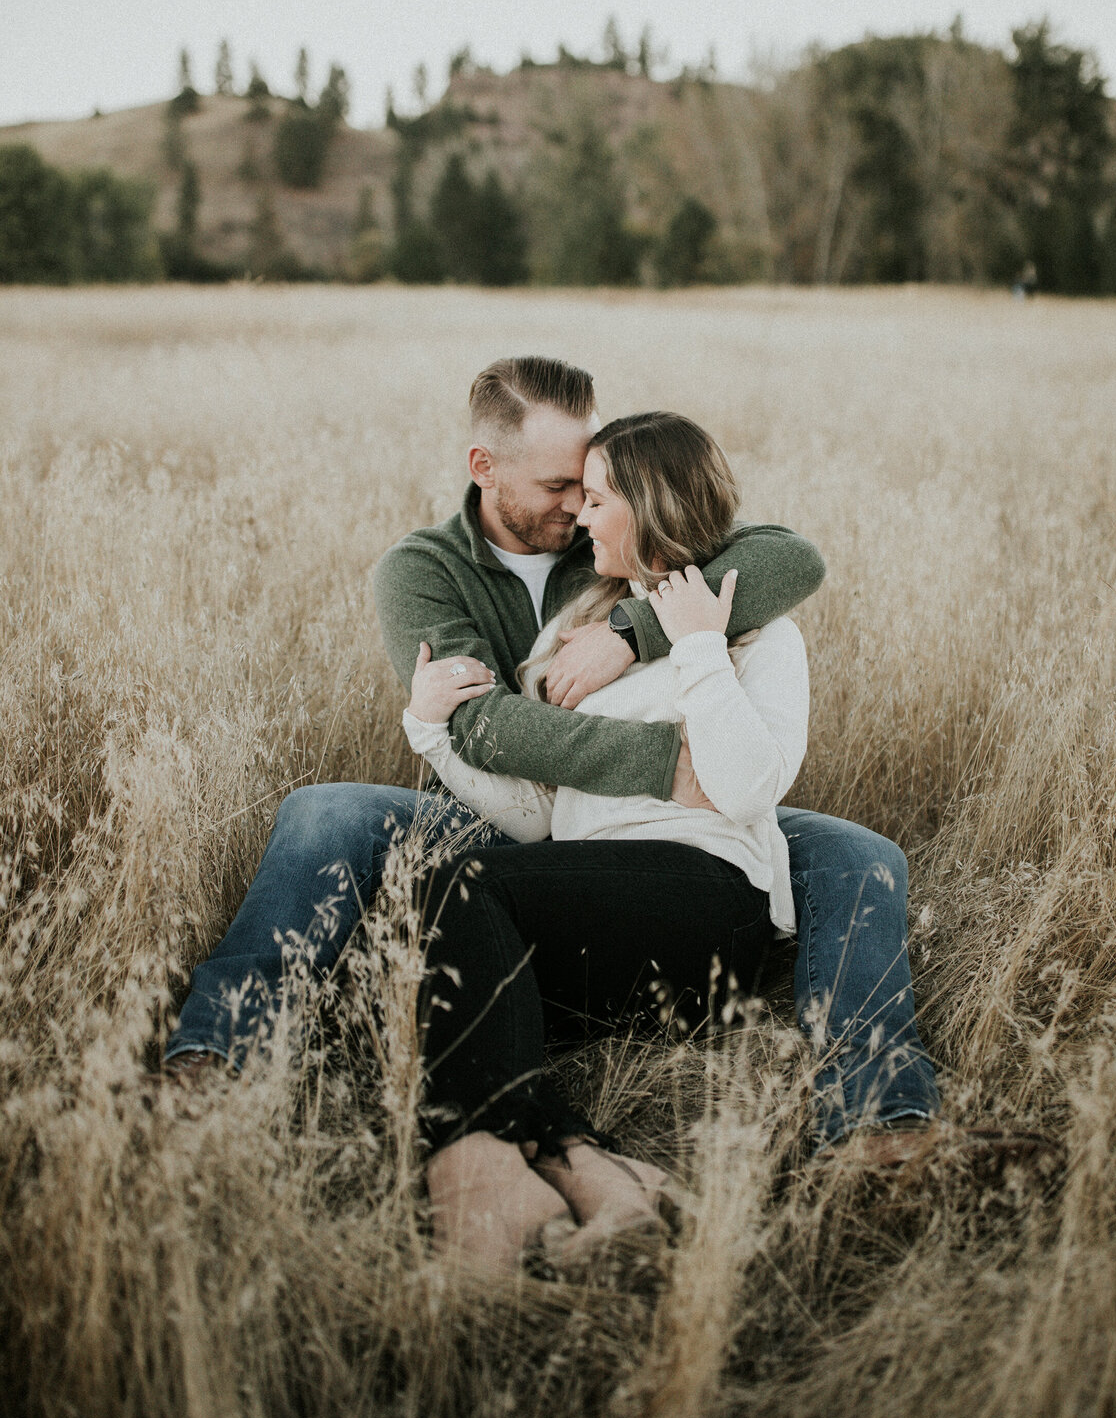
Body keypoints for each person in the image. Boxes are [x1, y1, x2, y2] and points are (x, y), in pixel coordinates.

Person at [165, 358, 938, 1178]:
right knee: (324, 812)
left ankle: (879, 1118)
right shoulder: (424, 570)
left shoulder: (601, 553)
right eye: (559, 485)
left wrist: (632, 633)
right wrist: (661, 761)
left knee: (857, 854)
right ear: (484, 469)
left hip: (677, 817)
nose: (576, 507)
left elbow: (790, 561)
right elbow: (487, 725)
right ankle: (221, 1053)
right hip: (523, 808)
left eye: (590, 486)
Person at [402, 410, 809, 1267]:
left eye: (595, 499)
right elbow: (542, 819)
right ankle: (590, 1171)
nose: (579, 519)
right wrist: (432, 732)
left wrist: (696, 646)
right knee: (426, 943)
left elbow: (745, 787)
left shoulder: (758, 631)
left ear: (650, 504)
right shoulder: (578, 629)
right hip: (599, 917)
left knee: (465, 889)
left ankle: (477, 1189)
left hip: (708, 903)